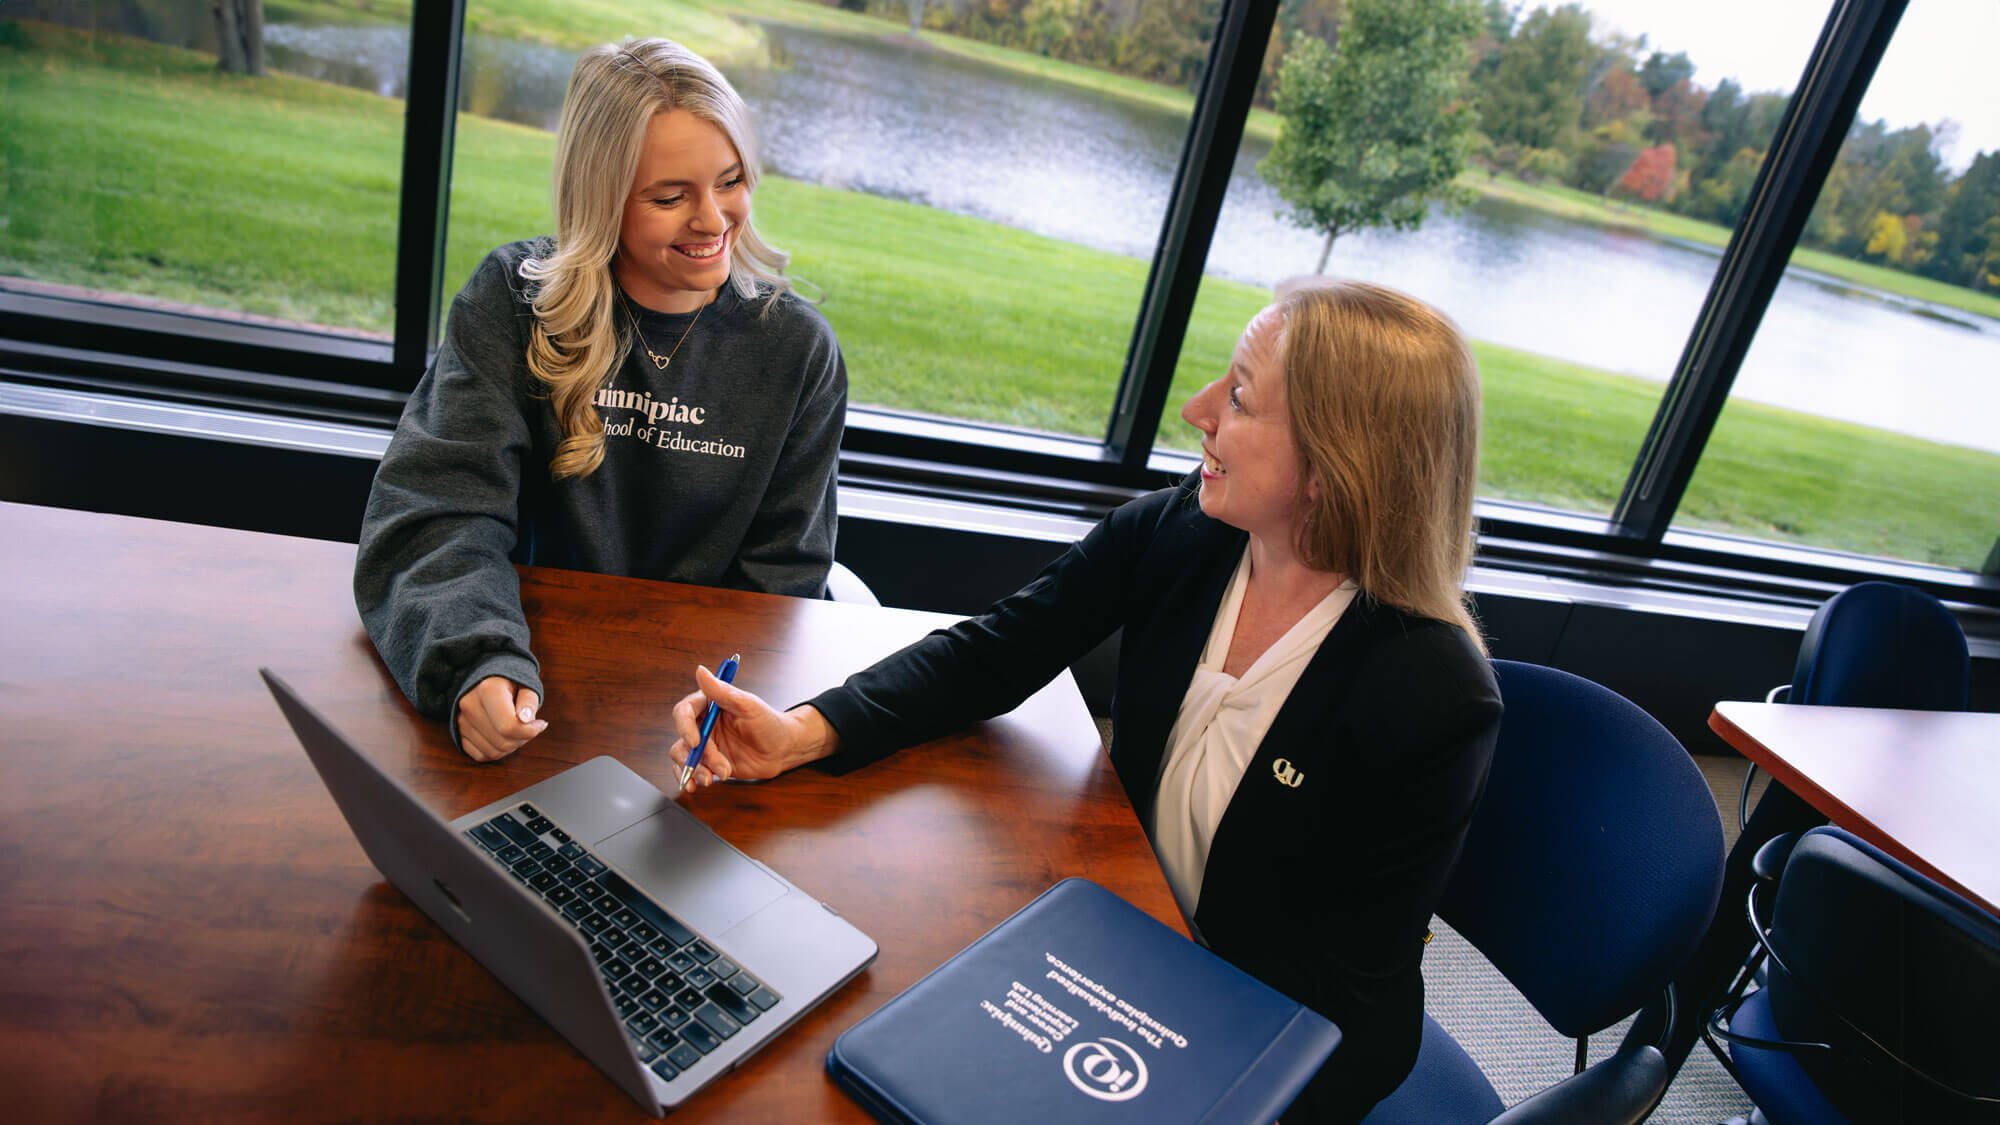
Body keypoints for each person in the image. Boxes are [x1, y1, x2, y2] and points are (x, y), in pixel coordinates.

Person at [665, 280, 1503, 1121]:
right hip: (1117, 934)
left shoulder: (1433, 695)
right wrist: (806, 729)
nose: (1197, 410)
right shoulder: (1190, 530)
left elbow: (1344, 1001)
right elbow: (995, 651)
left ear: (1334, 464)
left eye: (1241, 397)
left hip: (1260, 1033)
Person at [355, 38, 846, 764]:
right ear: (600, 196)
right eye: (671, 196)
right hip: (531, 692)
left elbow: (781, 585)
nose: (713, 220)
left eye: (731, 180)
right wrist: (474, 662)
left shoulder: (797, 349)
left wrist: (721, 718)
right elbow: (435, 514)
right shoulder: (512, 303)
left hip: (702, 729)